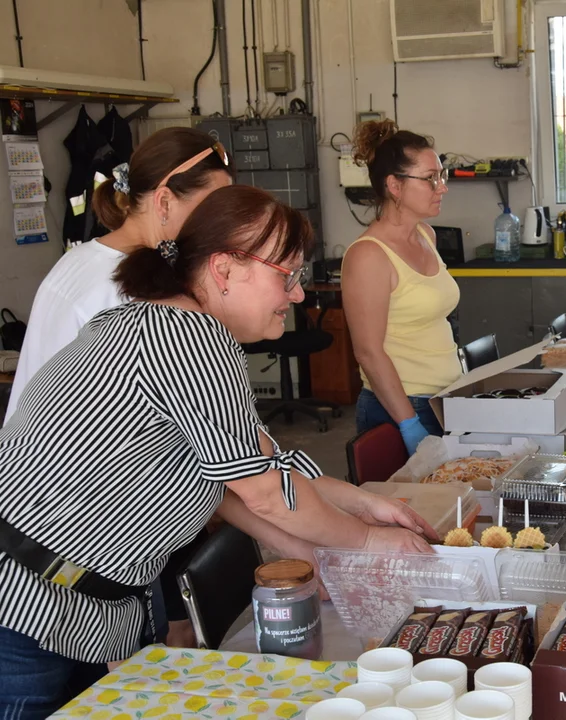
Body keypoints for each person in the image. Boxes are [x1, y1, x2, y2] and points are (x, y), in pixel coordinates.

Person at [0, 186, 437, 718]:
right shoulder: (185, 337)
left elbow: (240, 472)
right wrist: (368, 540)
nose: (297, 295)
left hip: (76, 601)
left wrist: (353, 508)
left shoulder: (164, 324)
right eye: (287, 275)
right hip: (27, 603)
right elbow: (264, 494)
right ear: (225, 270)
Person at [5, 127, 232, 425]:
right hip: (80, 465)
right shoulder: (134, 290)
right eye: (212, 207)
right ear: (164, 202)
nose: (221, 223)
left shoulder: (80, 258)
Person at [341, 120, 461, 455]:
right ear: (394, 185)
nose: (442, 186)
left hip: (445, 400)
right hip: (401, 408)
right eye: (430, 178)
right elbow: (367, 351)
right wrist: (408, 423)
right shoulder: (369, 256)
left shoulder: (426, 236)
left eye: (441, 175)